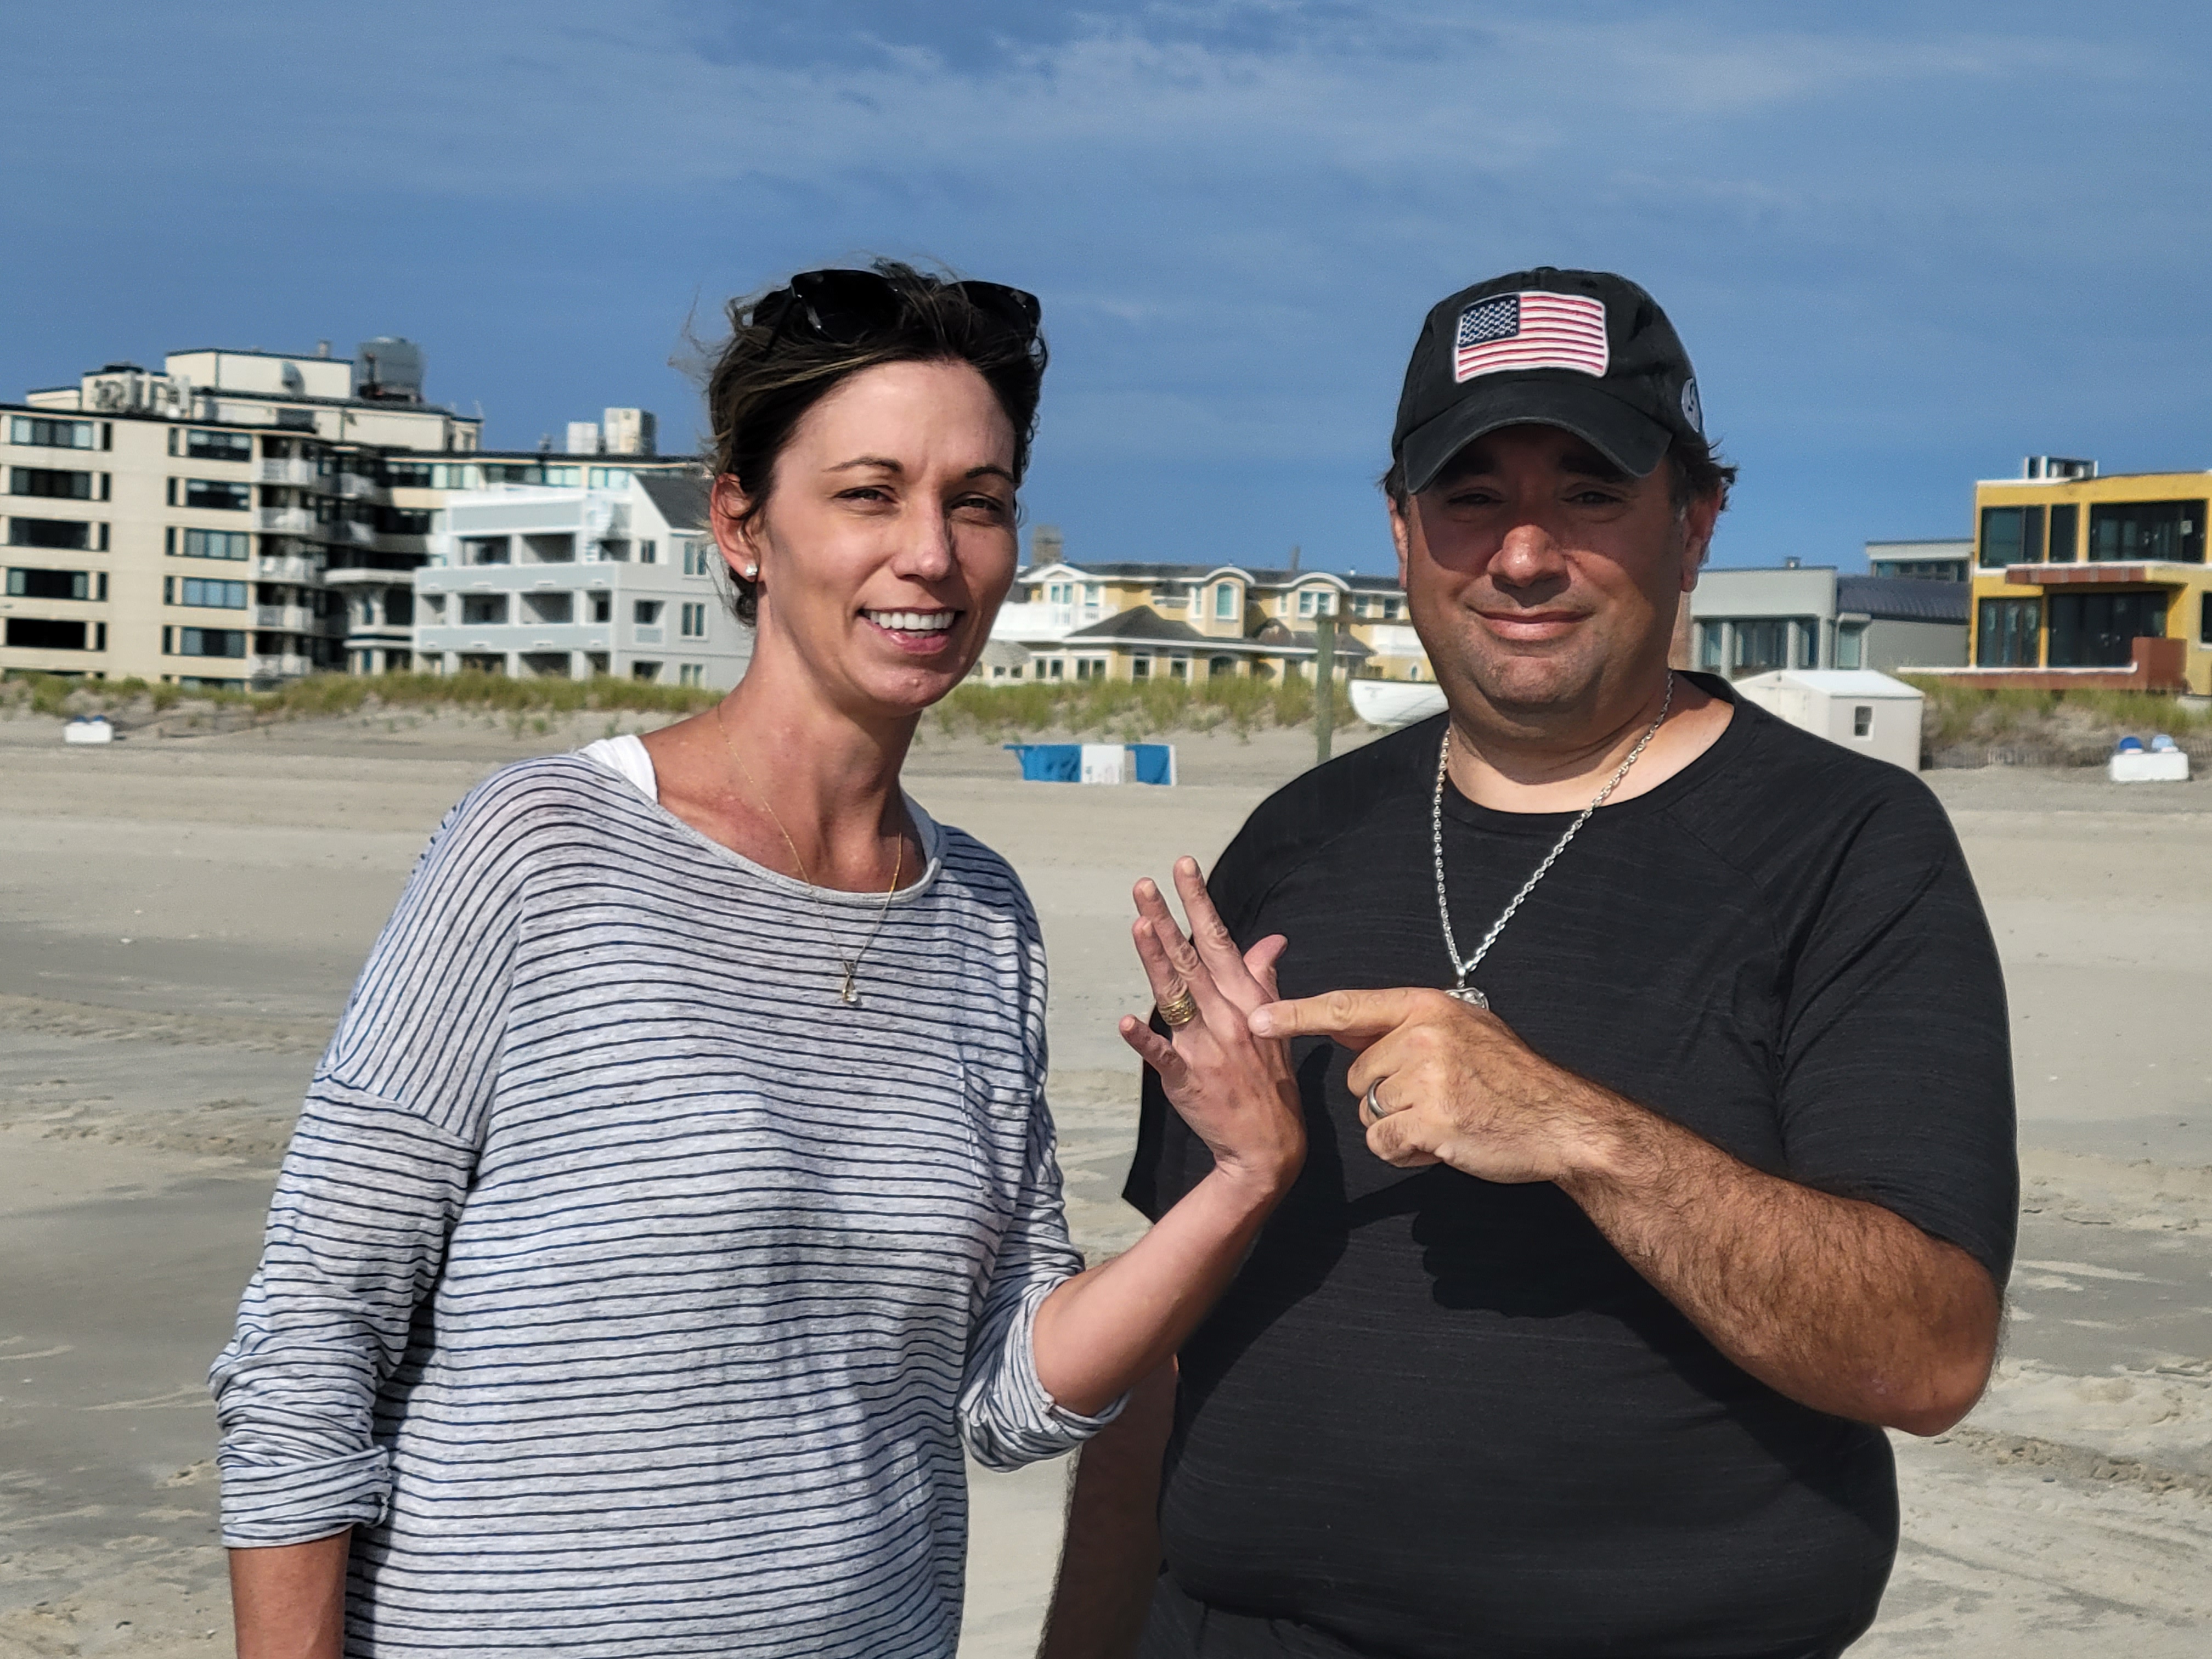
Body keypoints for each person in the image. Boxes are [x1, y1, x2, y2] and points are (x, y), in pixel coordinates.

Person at [212, 263, 1306, 1659]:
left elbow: (1006, 1393)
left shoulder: (981, 918)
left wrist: (1244, 1181)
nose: (931, 552)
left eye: (977, 501)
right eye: (868, 493)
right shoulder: (544, 848)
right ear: (742, 522)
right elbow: (312, 1332)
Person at [1039, 267, 2017, 1659]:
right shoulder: (1293, 842)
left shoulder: (1850, 845)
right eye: (1471, 496)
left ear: (1696, 522)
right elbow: (1165, 1333)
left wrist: (1572, 1131)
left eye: (1591, 493)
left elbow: (1926, 1354)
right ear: (1400, 528)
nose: (1523, 554)